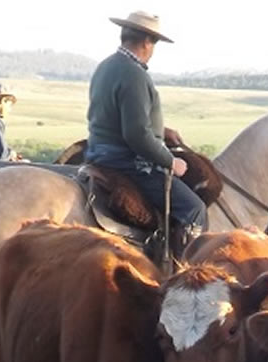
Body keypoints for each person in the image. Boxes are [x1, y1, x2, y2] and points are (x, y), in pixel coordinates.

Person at [84, 11, 206, 252]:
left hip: (98, 153)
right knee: (194, 209)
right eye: (154, 44)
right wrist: (170, 161)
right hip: (128, 163)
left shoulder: (106, 66)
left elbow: (114, 116)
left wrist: (161, 129)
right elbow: (137, 136)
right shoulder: (134, 74)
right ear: (147, 42)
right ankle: (184, 277)